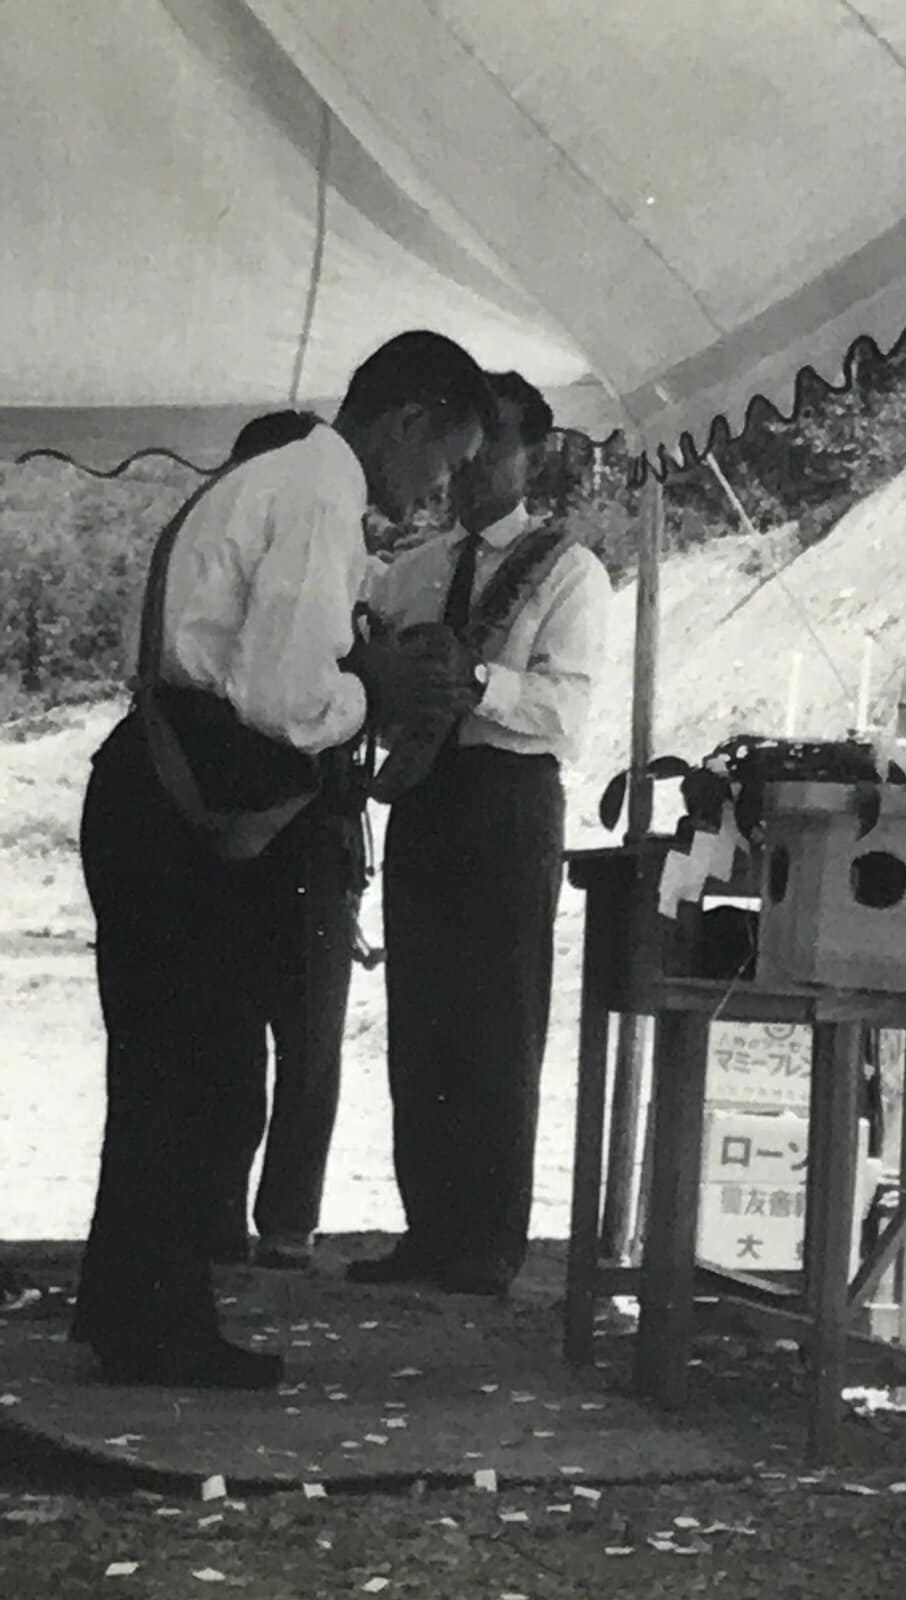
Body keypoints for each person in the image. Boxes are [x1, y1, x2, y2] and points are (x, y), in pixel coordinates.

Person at [72, 332, 493, 1389]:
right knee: (201, 1072)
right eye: (439, 464)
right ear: (404, 423)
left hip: (162, 783)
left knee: (168, 1066)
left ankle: (129, 1307)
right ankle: (155, 1329)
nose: (433, 493)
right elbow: (281, 697)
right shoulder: (315, 494)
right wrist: (376, 693)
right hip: (187, 792)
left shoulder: (288, 478)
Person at [349, 372, 609, 1296]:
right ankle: (428, 1231)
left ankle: (490, 1241)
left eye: (496, 444)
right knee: (422, 1018)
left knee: (498, 1020)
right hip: (425, 795)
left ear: (534, 453)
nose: (474, 466)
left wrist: (481, 684)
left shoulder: (569, 572)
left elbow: (567, 712)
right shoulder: (412, 569)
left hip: (508, 796)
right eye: (468, 444)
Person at [203, 409, 364, 1272]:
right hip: (239, 830)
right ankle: (225, 1215)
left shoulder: (332, 561)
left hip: (314, 834)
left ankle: (287, 1220)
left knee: (308, 1042)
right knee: (231, 1038)